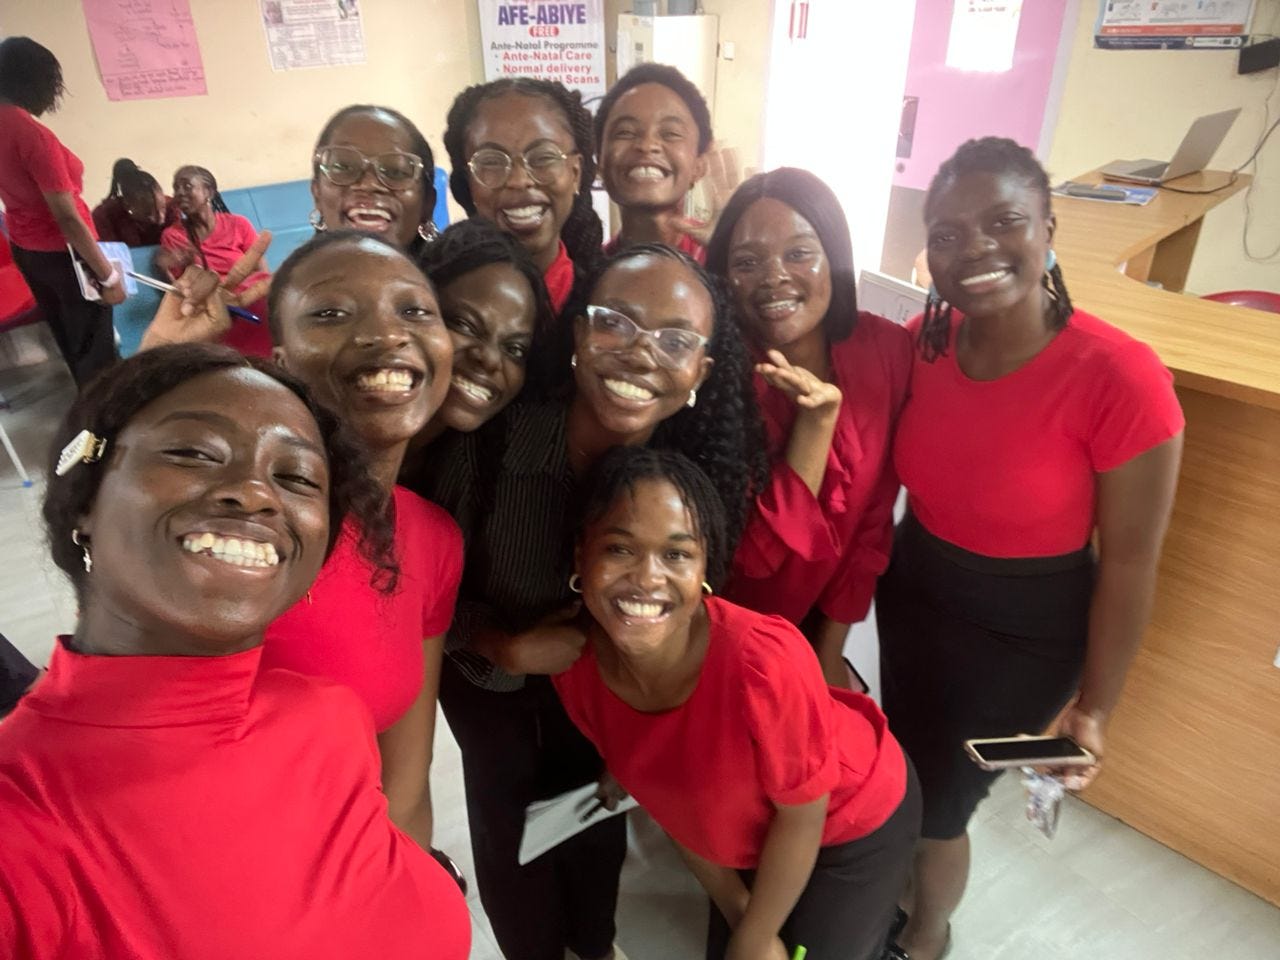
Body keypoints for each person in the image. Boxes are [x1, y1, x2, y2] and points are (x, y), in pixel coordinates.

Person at [0, 342, 470, 959]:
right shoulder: (21, 819)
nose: (254, 493)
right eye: (193, 452)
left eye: (296, 477)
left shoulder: (328, 715)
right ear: (86, 497)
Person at [876, 137, 1185, 960]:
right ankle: (894, 897)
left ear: (1048, 228)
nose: (974, 248)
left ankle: (926, 937)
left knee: (941, 805)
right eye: (947, 234)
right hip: (915, 594)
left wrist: (1094, 709)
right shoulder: (923, 342)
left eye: (1004, 221)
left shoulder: (1122, 377)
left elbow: (1131, 563)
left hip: (1028, 633)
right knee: (902, 773)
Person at [424, 243, 767, 960]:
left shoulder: (692, 482)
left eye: (675, 340)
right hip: (494, 698)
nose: (641, 353)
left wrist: (646, 733)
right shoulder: (490, 448)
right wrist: (501, 645)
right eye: (617, 322)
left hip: (613, 709)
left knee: (595, 832)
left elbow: (695, 624)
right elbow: (417, 600)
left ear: (701, 372)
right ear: (579, 333)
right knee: (510, 840)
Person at [554, 446, 920, 960]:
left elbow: (803, 815)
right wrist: (739, 914)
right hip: (760, 832)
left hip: (851, 819)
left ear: (705, 567)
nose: (648, 578)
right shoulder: (574, 669)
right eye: (619, 548)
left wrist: (754, 935)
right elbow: (674, 809)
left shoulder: (762, 663)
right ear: (581, 556)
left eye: (677, 555)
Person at [260, 230, 462, 856]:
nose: (385, 334)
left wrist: (416, 889)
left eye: (414, 310)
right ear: (281, 362)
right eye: (330, 314)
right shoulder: (246, 531)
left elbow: (405, 786)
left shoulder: (432, 538)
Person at [705, 168, 911, 688]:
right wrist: (815, 427)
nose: (774, 276)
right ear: (724, 278)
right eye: (747, 262)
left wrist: (828, 653)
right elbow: (754, 562)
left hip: (817, 633)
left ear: (834, 257)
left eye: (798, 253)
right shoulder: (714, 379)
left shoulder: (886, 351)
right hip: (727, 638)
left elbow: (872, 520)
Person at [0, 37, 120, 386]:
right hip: (65, 255)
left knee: (72, 345)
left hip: (26, 249)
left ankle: (88, 412)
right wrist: (108, 277)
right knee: (97, 355)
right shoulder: (33, 136)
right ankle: (105, 417)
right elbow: (66, 217)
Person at [443, 77, 604, 313]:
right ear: (468, 182)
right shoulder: (438, 300)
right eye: (491, 161)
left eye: (543, 158)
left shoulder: (608, 301)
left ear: (575, 173)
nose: (518, 180)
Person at [405, 218, 551, 456]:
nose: (490, 359)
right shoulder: (343, 435)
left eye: (514, 349)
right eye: (466, 325)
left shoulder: (491, 465)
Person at [595, 63, 715, 262]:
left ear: (699, 164)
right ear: (600, 160)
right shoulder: (590, 272)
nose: (647, 145)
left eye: (670, 133)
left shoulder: (723, 259)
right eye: (625, 132)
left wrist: (732, 249)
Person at [158, 164, 273, 355]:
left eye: (187, 186)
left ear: (209, 192)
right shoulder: (173, 236)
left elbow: (262, 273)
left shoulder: (238, 224)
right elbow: (180, 293)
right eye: (176, 188)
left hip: (249, 301)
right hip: (211, 310)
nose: (180, 193)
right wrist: (171, 266)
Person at [310, 104, 440, 255]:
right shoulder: (295, 271)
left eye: (395, 172)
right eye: (344, 167)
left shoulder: (455, 269)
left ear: (428, 203)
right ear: (317, 194)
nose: (368, 184)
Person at [91, 157, 179, 247]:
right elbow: (108, 252)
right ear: (127, 206)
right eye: (148, 214)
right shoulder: (105, 216)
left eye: (163, 209)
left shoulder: (173, 208)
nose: (160, 219)